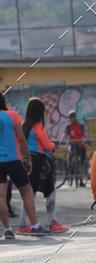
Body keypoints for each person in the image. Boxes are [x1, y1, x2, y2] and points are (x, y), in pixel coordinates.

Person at [19, 97, 67, 234]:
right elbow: (47, 145)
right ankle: (52, 222)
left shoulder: (23, 126)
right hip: (40, 162)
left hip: (26, 161)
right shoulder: (38, 126)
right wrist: (53, 144)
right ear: (39, 112)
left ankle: (23, 225)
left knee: (28, 194)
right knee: (50, 192)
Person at [0, 91, 44, 239]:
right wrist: (28, 159)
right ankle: (35, 226)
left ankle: (7, 230)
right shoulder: (12, 115)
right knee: (26, 191)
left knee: (1, 196)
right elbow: (21, 139)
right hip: (13, 160)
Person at [64, 110, 88, 187]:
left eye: (73, 117)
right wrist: (61, 142)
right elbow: (65, 135)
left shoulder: (81, 126)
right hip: (72, 146)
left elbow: (85, 134)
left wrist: (86, 140)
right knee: (69, 158)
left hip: (80, 146)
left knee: (81, 163)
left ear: (76, 117)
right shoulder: (68, 126)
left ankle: (80, 180)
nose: (72, 119)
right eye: (71, 117)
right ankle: (70, 168)